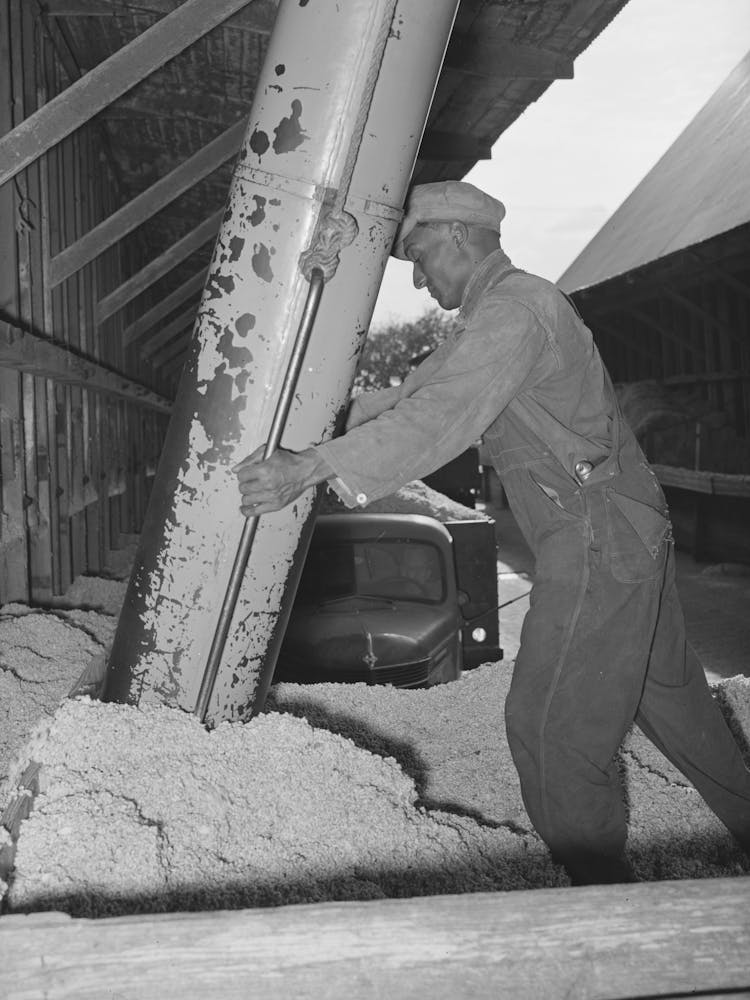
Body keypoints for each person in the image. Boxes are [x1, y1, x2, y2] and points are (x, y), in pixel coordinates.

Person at [235, 180, 750, 884]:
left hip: (597, 535)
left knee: (550, 725)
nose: (418, 278)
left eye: (419, 255)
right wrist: (313, 419)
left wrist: (312, 467)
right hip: (624, 529)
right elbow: (412, 395)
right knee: (678, 709)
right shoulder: (494, 316)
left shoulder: (515, 311)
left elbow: (441, 413)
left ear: (457, 235)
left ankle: (601, 904)